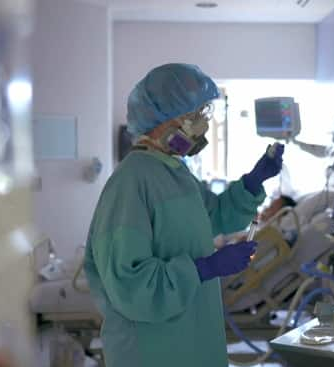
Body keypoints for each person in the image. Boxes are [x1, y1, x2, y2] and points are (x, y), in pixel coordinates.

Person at [83, 63, 284, 367]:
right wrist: (204, 268)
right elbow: (130, 285)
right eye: (192, 116)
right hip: (152, 351)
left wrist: (253, 181)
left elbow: (214, 215)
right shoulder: (132, 181)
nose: (202, 124)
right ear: (162, 119)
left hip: (189, 341)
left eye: (203, 113)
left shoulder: (175, 172)